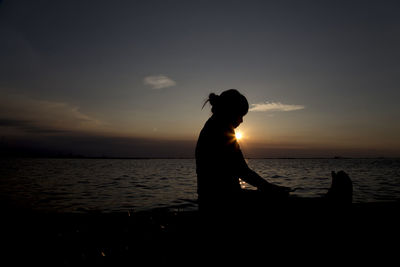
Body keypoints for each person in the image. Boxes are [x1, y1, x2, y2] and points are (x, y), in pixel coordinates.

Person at [195, 89, 291, 213]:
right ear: (230, 111)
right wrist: (270, 188)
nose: (241, 120)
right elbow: (242, 170)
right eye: (240, 115)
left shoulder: (211, 127)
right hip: (222, 203)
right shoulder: (222, 131)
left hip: (210, 200)